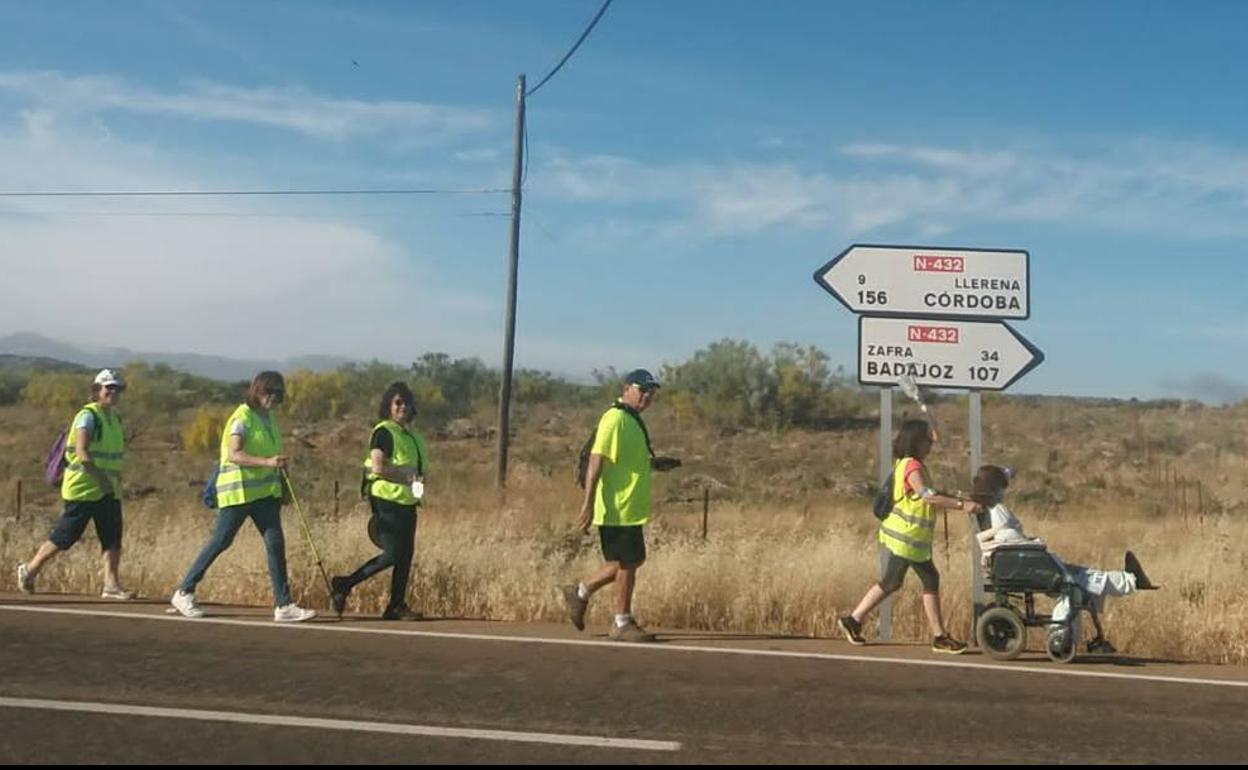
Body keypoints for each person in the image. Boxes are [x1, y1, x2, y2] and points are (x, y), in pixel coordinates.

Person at [170, 371, 315, 623]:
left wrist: (280, 478)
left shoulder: (268, 419)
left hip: (265, 495)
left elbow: (273, 455)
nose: (273, 398)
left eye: (277, 394)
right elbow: (234, 454)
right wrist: (267, 462)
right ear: (257, 391)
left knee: (275, 545)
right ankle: (184, 591)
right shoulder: (241, 418)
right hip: (239, 493)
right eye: (269, 392)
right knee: (221, 541)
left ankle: (283, 604)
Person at [970, 464, 1157, 654]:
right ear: (995, 487)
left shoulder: (990, 512)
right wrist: (1036, 543)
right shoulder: (998, 512)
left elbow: (1009, 540)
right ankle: (1060, 638)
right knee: (1075, 585)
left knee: (1081, 577)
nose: (1005, 489)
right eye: (1002, 485)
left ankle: (1130, 580)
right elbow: (1011, 541)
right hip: (1027, 564)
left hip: (1022, 563)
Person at [837, 419, 980, 654]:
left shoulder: (909, 464)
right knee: (928, 579)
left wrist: (954, 498)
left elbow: (929, 494)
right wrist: (962, 505)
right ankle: (940, 637)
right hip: (907, 538)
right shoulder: (912, 466)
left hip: (907, 538)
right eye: (927, 439)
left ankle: (853, 620)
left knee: (892, 582)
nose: (930, 444)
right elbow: (927, 497)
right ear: (916, 441)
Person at [560, 369, 680, 643]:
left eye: (651, 392)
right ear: (627, 388)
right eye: (643, 390)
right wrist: (588, 503)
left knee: (631, 561)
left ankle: (580, 592)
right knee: (629, 562)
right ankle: (621, 621)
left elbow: (627, 461)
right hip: (616, 506)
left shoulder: (631, 420)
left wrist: (656, 464)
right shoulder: (614, 418)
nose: (647, 396)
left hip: (629, 507)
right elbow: (596, 460)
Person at [17, 369, 135, 600]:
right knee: (66, 536)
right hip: (83, 487)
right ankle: (30, 569)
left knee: (112, 536)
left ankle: (111, 584)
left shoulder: (114, 419)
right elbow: (81, 452)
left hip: (108, 489)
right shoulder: (87, 416)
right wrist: (101, 479)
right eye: (108, 387)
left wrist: (114, 481)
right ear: (97, 390)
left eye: (116, 388)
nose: (113, 392)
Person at [330, 382, 428, 620]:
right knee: (393, 554)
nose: (403, 407)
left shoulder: (414, 438)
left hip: (407, 503)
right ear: (388, 406)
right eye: (398, 403)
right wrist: (404, 477)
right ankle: (345, 583)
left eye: (406, 403)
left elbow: (418, 473)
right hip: (386, 501)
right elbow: (377, 466)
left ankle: (395, 606)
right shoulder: (384, 432)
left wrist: (417, 488)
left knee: (405, 556)